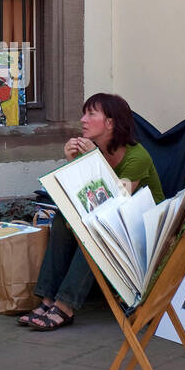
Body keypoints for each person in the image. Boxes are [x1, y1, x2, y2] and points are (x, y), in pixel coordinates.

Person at [22, 93, 164, 331]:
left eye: (91, 114)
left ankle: (66, 305)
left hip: (141, 227)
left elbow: (113, 201)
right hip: (112, 220)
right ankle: (47, 299)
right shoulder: (96, 149)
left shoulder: (136, 156)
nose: (83, 120)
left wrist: (91, 159)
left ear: (110, 123)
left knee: (95, 232)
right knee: (62, 219)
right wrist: (73, 162)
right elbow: (80, 197)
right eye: (84, 114)